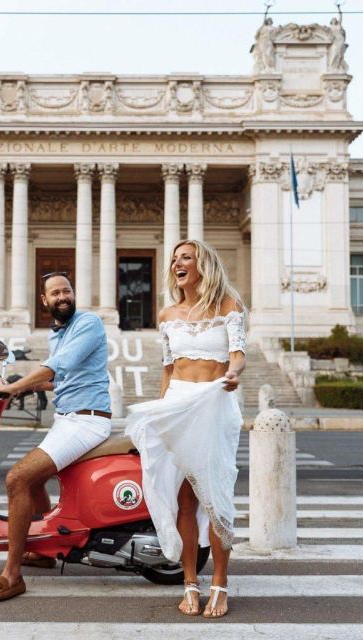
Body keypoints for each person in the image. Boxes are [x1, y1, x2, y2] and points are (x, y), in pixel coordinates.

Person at [124, 239, 246, 619]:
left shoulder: (228, 305)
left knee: (215, 497)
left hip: (212, 402)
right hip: (176, 403)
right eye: (175, 258)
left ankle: (220, 585)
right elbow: (167, 368)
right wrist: (159, 412)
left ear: (202, 265)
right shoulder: (167, 314)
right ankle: (190, 583)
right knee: (184, 502)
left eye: (186, 257)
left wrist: (234, 374)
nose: (178, 263)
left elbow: (239, 354)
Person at [0, 272, 112, 602]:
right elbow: (58, 379)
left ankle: (12, 575)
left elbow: (58, 366)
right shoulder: (58, 335)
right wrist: (17, 388)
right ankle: (44, 552)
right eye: (55, 293)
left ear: (74, 293)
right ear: (45, 300)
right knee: (34, 481)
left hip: (87, 420)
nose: (62, 296)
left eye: (67, 290)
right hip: (68, 418)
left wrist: (15, 385)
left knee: (17, 479)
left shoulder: (88, 323)